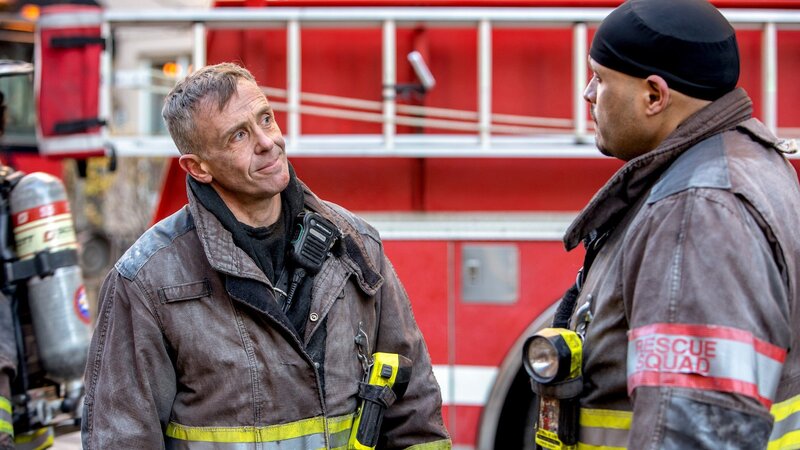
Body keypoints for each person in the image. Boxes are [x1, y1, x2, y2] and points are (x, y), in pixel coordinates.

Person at [80, 62, 451, 449]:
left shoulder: (354, 246)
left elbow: (415, 416)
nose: (267, 141)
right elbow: (121, 438)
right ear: (198, 167)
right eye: (238, 135)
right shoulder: (148, 282)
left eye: (266, 119)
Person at [551, 0, 800, 448]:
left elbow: (694, 429)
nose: (589, 94)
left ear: (654, 96)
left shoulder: (699, 210)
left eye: (601, 78)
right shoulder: (750, 161)